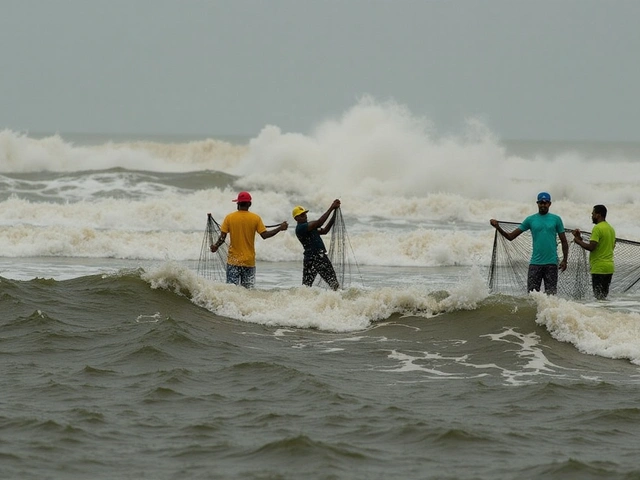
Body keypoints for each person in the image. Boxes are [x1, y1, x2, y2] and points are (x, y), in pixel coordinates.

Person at [490, 191, 569, 295]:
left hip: (551, 264)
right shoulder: (530, 220)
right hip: (535, 264)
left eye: (545, 203)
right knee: (531, 296)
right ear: (537, 203)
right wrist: (498, 227)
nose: (543, 205)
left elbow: (564, 241)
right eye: (541, 202)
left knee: (551, 296)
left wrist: (565, 260)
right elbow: (511, 237)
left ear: (550, 204)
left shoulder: (556, 219)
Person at [210, 191, 288, 288]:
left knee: (231, 290)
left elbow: (222, 237)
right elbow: (265, 235)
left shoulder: (229, 218)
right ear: (249, 204)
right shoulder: (256, 218)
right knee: (248, 291)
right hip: (249, 262)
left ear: (238, 204)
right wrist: (280, 228)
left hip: (233, 261)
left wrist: (216, 246)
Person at [292, 199, 341, 290]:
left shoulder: (309, 227)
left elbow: (325, 230)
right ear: (296, 218)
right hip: (318, 257)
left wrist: (334, 214)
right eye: (302, 215)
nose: (305, 216)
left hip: (310, 259)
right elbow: (319, 223)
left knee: (306, 287)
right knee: (334, 284)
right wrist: (331, 207)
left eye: (305, 213)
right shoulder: (301, 228)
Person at [572, 204, 616, 300]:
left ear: (598, 215)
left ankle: (600, 314)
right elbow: (612, 246)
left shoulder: (597, 228)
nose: (591, 216)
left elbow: (592, 247)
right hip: (609, 268)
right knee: (603, 297)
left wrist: (578, 241)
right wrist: (580, 238)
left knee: (598, 297)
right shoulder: (611, 229)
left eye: (593, 213)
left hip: (599, 268)